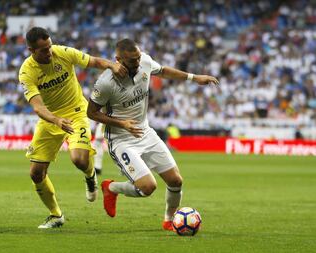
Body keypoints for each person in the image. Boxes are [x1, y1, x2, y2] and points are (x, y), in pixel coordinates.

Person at [87, 39, 219, 231]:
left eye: (138, 58)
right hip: (121, 140)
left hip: (145, 132)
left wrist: (194, 77)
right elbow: (91, 113)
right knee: (148, 187)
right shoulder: (106, 83)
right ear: (118, 60)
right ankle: (111, 188)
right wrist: (121, 123)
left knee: (176, 181)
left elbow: (163, 71)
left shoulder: (145, 62)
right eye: (132, 60)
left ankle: (169, 220)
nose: (137, 63)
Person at [18, 27, 127, 229]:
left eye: (49, 46)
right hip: (50, 119)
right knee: (35, 173)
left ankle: (90, 176)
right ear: (31, 50)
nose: (49, 52)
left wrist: (112, 65)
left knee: (79, 159)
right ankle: (55, 215)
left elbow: (93, 61)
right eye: (43, 50)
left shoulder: (63, 52)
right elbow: (38, 107)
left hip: (77, 112)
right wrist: (56, 120)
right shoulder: (27, 72)